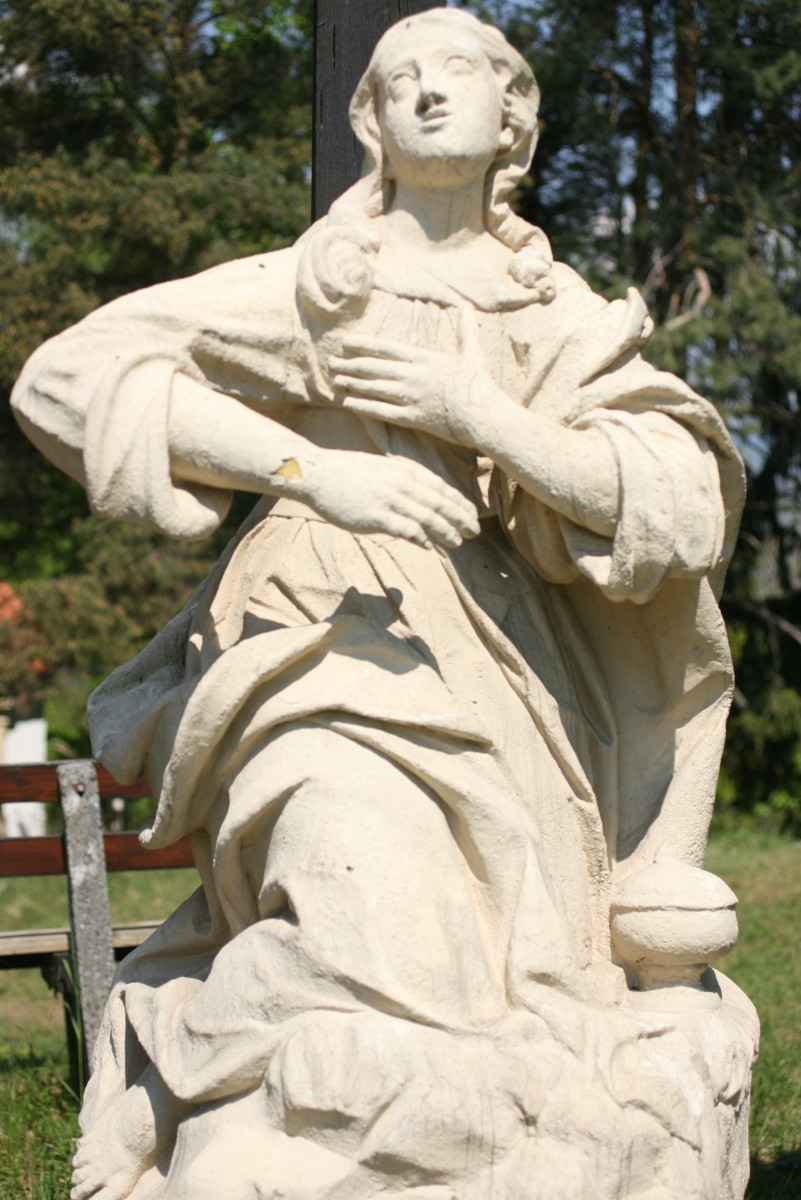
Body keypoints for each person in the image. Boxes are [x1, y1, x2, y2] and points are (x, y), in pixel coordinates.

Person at [13, 10, 748, 1198]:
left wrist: (484, 416)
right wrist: (313, 469)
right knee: (362, 912)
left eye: (455, 70)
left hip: (508, 669)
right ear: (374, 125)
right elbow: (67, 380)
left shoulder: (558, 314)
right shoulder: (318, 291)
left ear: (516, 114)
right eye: (396, 81)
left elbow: (681, 500)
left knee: (486, 982)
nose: (424, 94)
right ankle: (203, 1088)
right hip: (316, 635)